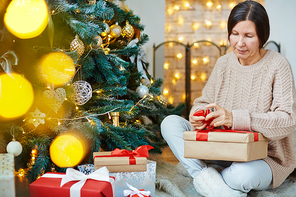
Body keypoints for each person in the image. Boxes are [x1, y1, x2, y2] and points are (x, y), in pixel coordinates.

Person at [161, 0, 296, 196]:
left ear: (262, 37)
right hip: (220, 149)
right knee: (169, 122)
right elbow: (203, 102)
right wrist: (199, 114)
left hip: (264, 158)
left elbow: (287, 120)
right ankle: (209, 177)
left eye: (249, 36)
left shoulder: (278, 65)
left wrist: (235, 118)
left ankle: (203, 174)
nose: (239, 43)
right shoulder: (224, 63)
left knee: (239, 176)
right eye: (235, 34)